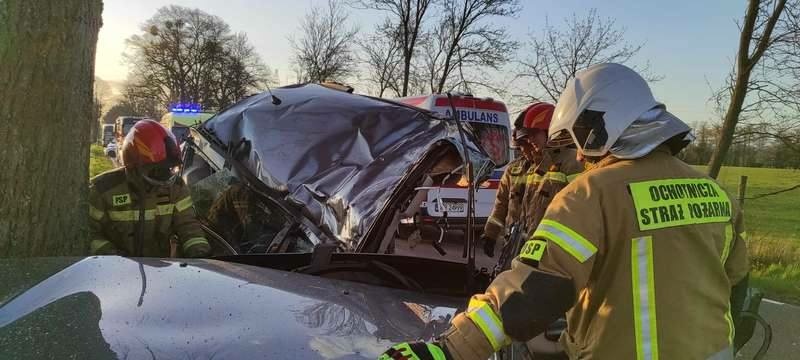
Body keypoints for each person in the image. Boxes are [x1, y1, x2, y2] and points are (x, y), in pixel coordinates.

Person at [380, 63, 749, 360]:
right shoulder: (717, 194)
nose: (578, 152)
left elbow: (532, 292)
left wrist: (446, 350)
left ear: (602, 126)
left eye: (580, 135)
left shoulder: (593, 193)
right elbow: (736, 286)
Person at [88, 119, 210, 258]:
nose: (165, 179)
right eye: (157, 170)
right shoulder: (103, 190)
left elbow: (188, 226)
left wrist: (200, 256)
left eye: (168, 169)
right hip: (113, 273)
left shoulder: (176, 188)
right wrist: (113, 256)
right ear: (134, 166)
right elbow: (88, 232)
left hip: (158, 271)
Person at [481, 103, 583, 257]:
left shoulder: (572, 162)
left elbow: (579, 210)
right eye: (525, 139)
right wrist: (490, 234)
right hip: (520, 244)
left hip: (550, 249)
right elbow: (505, 205)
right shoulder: (531, 166)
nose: (529, 142)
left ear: (550, 131)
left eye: (534, 134)